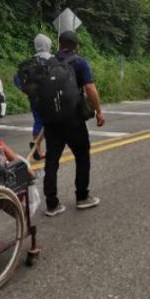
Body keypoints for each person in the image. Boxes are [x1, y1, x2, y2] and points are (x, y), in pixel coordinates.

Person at [42, 30, 105, 216]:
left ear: (59, 44)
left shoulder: (47, 63)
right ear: (76, 46)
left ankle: (52, 204)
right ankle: (82, 197)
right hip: (73, 120)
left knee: (52, 160)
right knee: (82, 155)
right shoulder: (80, 62)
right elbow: (90, 88)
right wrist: (99, 112)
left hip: (52, 121)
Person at [13, 34, 52, 161]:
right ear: (48, 44)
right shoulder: (52, 60)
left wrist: (27, 91)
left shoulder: (29, 62)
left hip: (33, 97)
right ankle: (43, 147)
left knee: (38, 121)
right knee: (52, 121)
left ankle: (38, 148)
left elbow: (16, 79)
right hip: (48, 97)